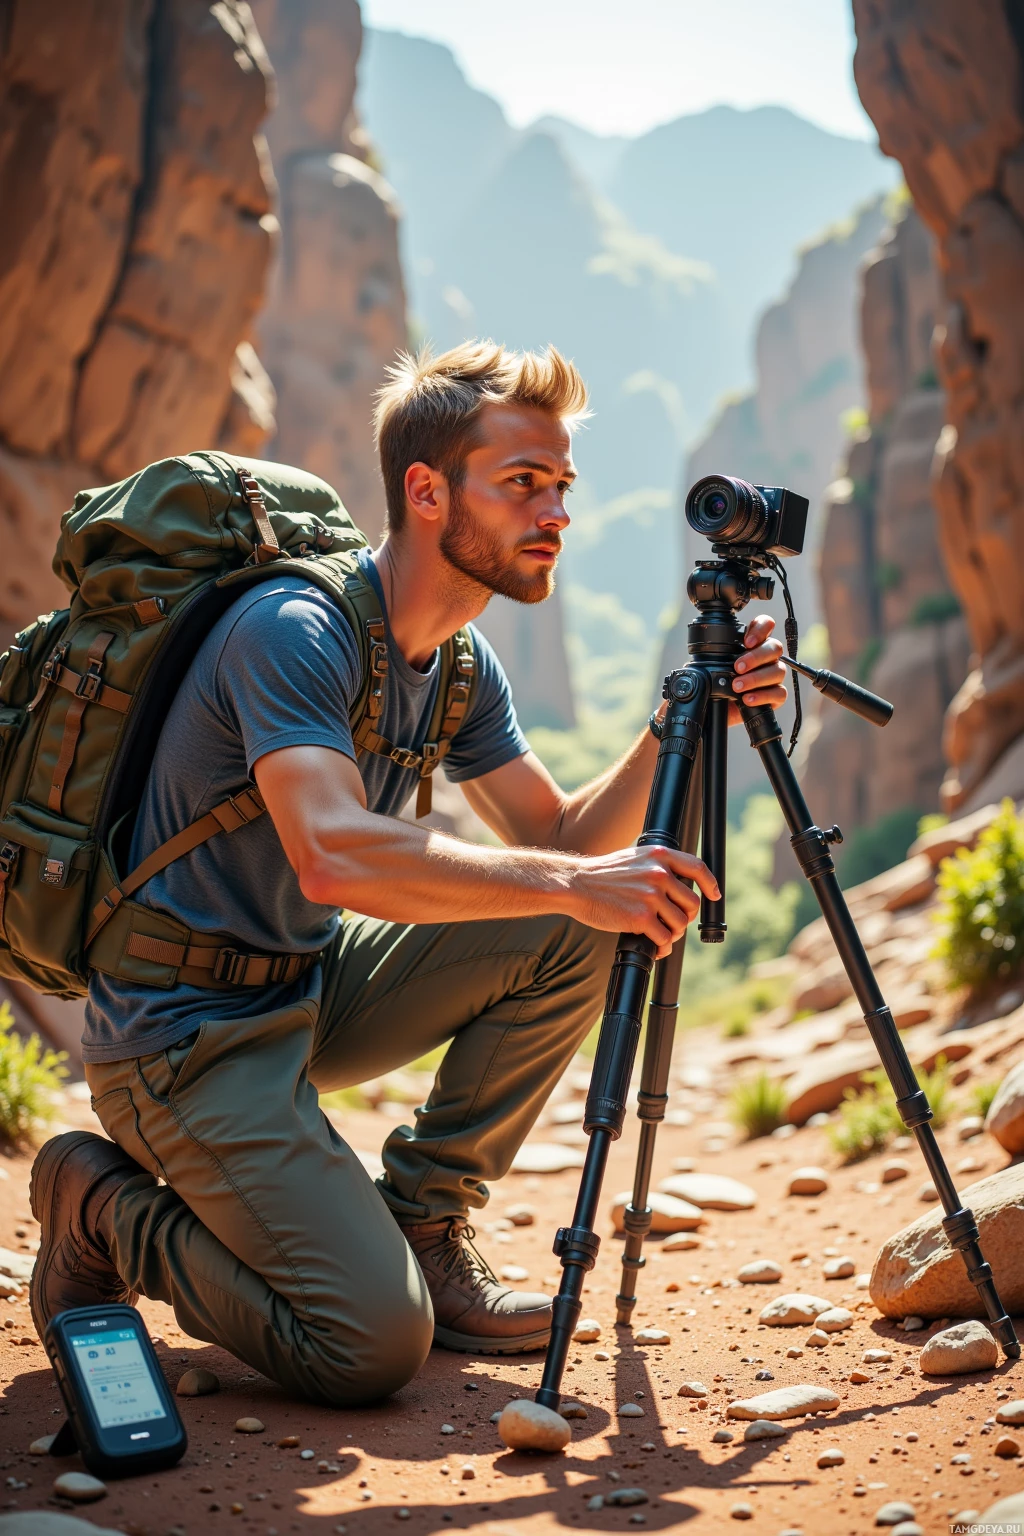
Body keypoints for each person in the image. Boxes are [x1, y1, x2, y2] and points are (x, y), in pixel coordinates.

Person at [30, 342, 787, 1406]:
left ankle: (425, 1223)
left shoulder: (458, 665)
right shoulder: (295, 630)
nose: (556, 513)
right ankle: (101, 1205)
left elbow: (563, 842)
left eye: (562, 485)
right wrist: (575, 882)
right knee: (370, 1349)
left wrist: (681, 720)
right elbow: (333, 851)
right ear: (426, 492)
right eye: (523, 483)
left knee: (583, 913)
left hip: (302, 986)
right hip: (181, 1030)